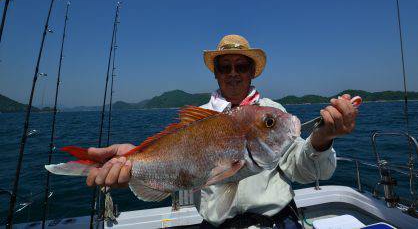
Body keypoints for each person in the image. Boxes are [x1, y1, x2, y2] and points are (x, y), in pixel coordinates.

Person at [86, 34, 358, 228]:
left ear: (252, 72)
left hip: (277, 223)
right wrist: (134, 160)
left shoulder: (273, 110)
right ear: (215, 73)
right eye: (224, 67)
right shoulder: (198, 120)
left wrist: (322, 139)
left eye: (241, 66)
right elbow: (183, 175)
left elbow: (307, 170)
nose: (233, 73)